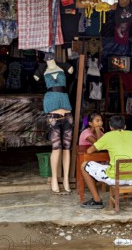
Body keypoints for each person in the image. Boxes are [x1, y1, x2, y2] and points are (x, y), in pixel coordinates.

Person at [80, 115, 132, 209]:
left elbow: (89, 151)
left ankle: (97, 201)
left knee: (84, 165)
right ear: (125, 126)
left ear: (111, 128)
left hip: (115, 178)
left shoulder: (108, 136)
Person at [34, 54, 74, 195]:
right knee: (56, 147)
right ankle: (55, 179)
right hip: (52, 108)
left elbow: (71, 70)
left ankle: (66, 180)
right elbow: (36, 78)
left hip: (66, 107)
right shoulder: (41, 69)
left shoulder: (64, 66)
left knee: (67, 148)